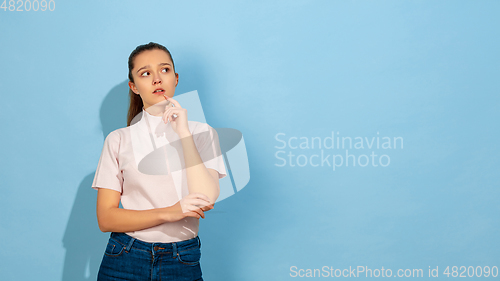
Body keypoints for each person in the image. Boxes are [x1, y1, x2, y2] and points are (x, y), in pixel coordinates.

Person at [91, 42, 227, 281]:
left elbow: (206, 199)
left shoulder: (202, 133)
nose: (157, 79)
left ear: (175, 78)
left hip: (181, 259)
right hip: (124, 255)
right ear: (134, 86)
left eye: (164, 70)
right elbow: (106, 218)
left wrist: (183, 134)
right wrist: (170, 212)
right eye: (145, 73)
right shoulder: (118, 139)